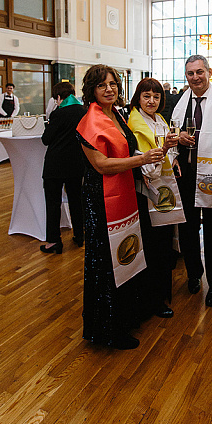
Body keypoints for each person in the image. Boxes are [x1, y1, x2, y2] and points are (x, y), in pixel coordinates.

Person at [76, 64, 164, 349]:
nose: (109, 89)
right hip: (101, 198)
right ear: (92, 89)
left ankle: (127, 315)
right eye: (102, 85)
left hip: (124, 192)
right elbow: (101, 165)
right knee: (106, 261)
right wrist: (141, 160)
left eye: (113, 84)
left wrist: (142, 162)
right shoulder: (89, 121)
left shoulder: (116, 114)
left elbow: (125, 149)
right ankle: (107, 329)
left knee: (126, 253)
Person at [172, 55, 212, 305]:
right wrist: (178, 137)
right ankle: (193, 274)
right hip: (186, 175)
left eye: (200, 72)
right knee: (187, 230)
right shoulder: (177, 102)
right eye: (190, 73)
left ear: (209, 72)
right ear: (186, 76)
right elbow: (168, 133)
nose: (196, 77)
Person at [127, 78, 184, 318]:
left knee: (164, 245)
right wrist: (167, 149)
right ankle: (153, 300)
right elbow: (148, 169)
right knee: (153, 248)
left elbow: (169, 151)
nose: (151, 101)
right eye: (147, 96)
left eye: (156, 97)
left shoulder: (159, 119)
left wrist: (174, 156)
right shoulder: (135, 124)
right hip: (148, 193)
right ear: (138, 98)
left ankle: (161, 294)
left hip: (165, 189)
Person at [40, 82, 86, 254]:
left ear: (58, 97)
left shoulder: (58, 113)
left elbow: (46, 139)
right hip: (76, 164)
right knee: (76, 201)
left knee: (53, 203)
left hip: (55, 165)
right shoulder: (83, 111)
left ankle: (54, 242)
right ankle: (79, 236)